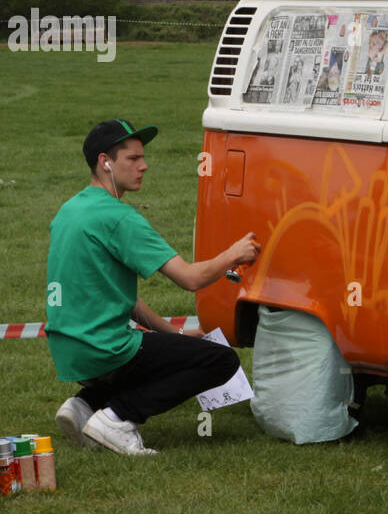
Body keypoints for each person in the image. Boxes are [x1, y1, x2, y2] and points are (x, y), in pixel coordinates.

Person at [48, 119, 261, 455]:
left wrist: (172, 335)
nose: (144, 165)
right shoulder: (118, 218)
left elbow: (123, 298)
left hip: (68, 348)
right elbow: (190, 278)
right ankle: (118, 418)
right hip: (104, 350)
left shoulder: (70, 210)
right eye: (133, 159)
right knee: (220, 360)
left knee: (160, 351)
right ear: (105, 162)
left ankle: (84, 406)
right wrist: (233, 254)